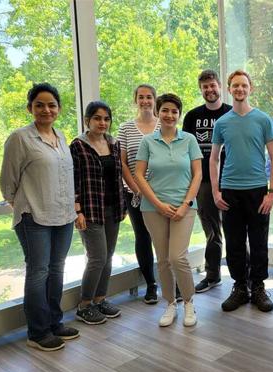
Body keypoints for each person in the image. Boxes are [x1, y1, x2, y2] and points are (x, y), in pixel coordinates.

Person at [0, 83, 79, 351]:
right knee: (38, 272)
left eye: (52, 105)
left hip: (64, 215)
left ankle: (55, 322)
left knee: (57, 270)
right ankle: (37, 332)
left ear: (58, 108)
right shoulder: (20, 138)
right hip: (34, 216)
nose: (47, 109)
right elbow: (7, 182)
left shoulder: (61, 136)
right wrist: (20, 203)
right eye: (40, 105)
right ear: (30, 108)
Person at [211, 70, 273, 313]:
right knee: (235, 242)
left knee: (259, 241)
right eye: (235, 86)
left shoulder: (262, 119)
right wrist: (216, 192)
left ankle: (258, 287)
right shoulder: (222, 123)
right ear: (229, 89)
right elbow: (214, 158)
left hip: (258, 190)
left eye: (244, 85)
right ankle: (240, 287)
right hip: (230, 191)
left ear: (251, 89)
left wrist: (272, 192)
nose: (240, 89)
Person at [135, 93, 203, 327]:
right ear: (157, 112)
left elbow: (198, 175)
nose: (169, 115)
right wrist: (158, 204)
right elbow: (139, 175)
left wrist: (185, 205)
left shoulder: (189, 140)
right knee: (163, 259)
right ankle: (170, 303)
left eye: (174, 111)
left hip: (184, 207)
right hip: (154, 208)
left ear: (179, 114)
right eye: (165, 110)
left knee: (177, 257)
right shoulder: (147, 142)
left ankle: (188, 302)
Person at [71, 101, 126, 325]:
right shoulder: (77, 146)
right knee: (97, 257)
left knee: (109, 256)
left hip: (112, 209)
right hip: (90, 210)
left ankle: (100, 299)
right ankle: (84, 305)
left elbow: (119, 175)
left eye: (106, 119)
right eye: (97, 118)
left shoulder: (113, 144)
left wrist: (123, 205)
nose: (102, 123)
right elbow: (71, 178)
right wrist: (77, 210)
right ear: (87, 121)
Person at [182, 70, 232, 293]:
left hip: (231, 180)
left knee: (235, 230)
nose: (210, 90)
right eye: (205, 87)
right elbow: (186, 151)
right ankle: (213, 275)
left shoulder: (232, 113)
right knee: (211, 231)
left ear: (220, 86)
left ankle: (243, 277)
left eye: (213, 85)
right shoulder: (192, 116)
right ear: (200, 90)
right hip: (202, 181)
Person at [118, 84, 161, 304]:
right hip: (135, 194)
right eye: (141, 97)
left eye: (149, 97)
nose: (145, 101)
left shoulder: (165, 123)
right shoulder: (125, 128)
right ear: (136, 100)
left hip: (163, 193)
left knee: (165, 239)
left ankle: (172, 282)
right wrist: (137, 189)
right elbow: (123, 163)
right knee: (143, 238)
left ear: (155, 99)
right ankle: (151, 285)